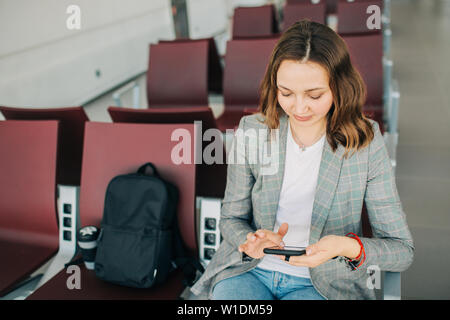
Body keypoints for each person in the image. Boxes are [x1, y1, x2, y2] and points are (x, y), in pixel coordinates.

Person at [190, 20, 414, 300]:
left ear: (340, 87)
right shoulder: (252, 131)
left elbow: (402, 250)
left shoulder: (366, 142)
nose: (298, 107)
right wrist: (250, 240)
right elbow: (231, 218)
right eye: (286, 93)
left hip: (324, 284)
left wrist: (346, 247)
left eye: (314, 95)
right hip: (250, 271)